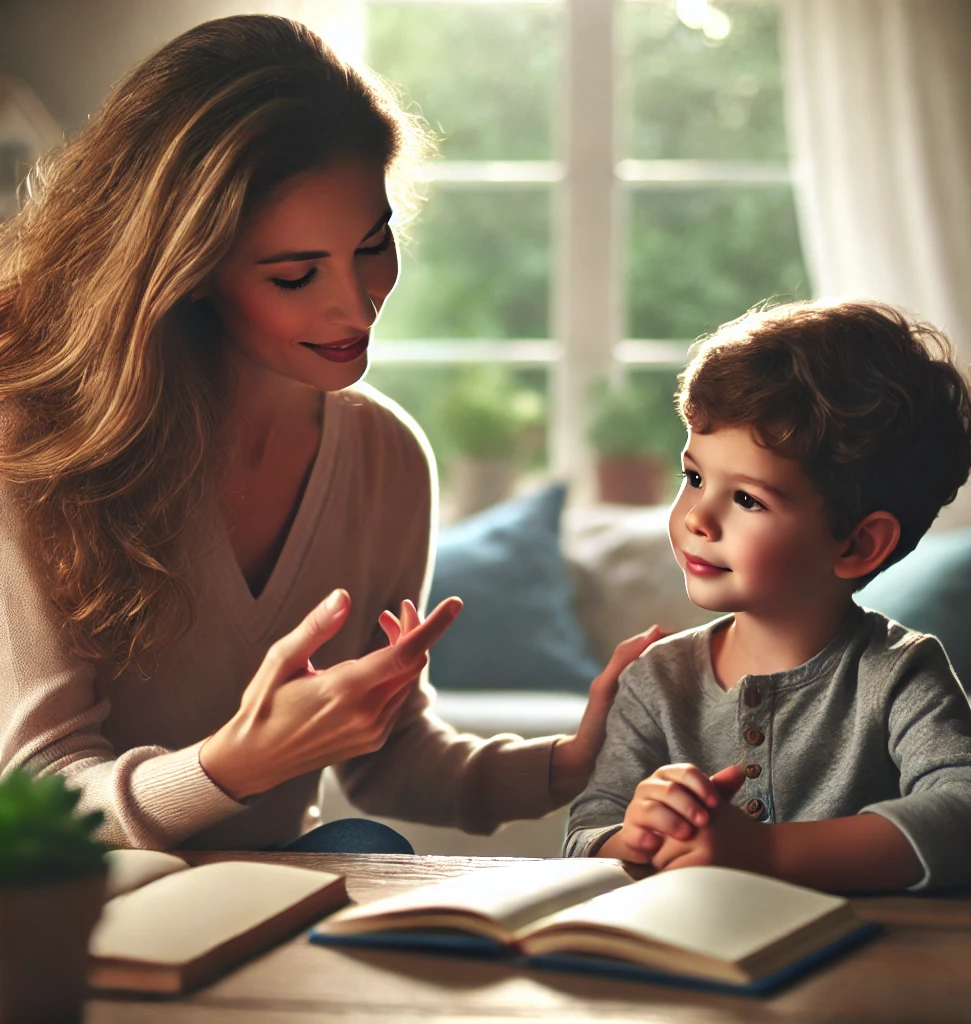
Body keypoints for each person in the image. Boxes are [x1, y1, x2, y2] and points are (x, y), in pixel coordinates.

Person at [0, 15, 661, 853]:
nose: (355, 306)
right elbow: (41, 789)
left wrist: (571, 762)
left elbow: (390, 756)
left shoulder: (385, 456)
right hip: (82, 920)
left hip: (273, 903)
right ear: (188, 270)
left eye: (373, 245)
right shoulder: (31, 442)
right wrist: (234, 764)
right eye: (294, 274)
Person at [563, 299, 971, 891]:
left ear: (857, 544)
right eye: (695, 477)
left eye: (747, 499)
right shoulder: (656, 680)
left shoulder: (899, 673)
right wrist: (634, 835)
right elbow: (585, 830)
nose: (698, 516)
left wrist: (763, 851)